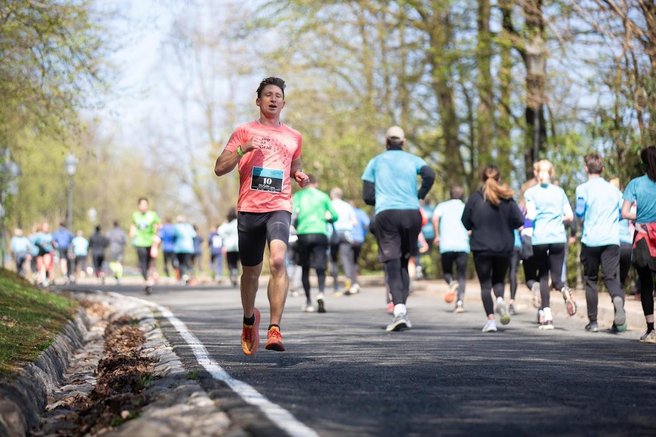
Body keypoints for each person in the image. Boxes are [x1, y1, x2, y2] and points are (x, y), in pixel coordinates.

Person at [214, 76, 309, 355]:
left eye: (277, 95)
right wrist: (244, 148)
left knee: (278, 261)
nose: (273, 99)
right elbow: (220, 168)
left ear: (283, 102)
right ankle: (248, 320)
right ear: (259, 101)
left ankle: (275, 328)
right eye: (267, 94)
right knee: (251, 273)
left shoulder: (294, 136)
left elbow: (295, 162)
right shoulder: (244, 131)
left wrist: (297, 173)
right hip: (249, 209)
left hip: (279, 206)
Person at [362, 125, 435, 332]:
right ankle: (402, 309)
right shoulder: (413, 160)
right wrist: (420, 194)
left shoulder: (375, 161)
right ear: (403, 143)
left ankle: (399, 311)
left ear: (386, 142)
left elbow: (367, 196)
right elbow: (430, 174)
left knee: (392, 263)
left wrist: (383, 198)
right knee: (404, 260)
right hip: (412, 213)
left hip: (387, 213)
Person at [462, 165, 523, 332]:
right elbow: (519, 221)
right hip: (503, 247)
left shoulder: (475, 198)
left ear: (482, 178)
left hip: (481, 247)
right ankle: (501, 300)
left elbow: (465, 221)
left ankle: (490, 321)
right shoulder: (507, 199)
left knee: (485, 285)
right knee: (498, 280)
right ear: (499, 179)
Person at [575, 153, 626, 333]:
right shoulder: (614, 191)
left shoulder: (582, 189)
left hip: (591, 240)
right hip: (611, 239)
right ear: (602, 169)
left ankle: (593, 322)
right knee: (611, 277)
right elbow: (623, 212)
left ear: (586, 168)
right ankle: (617, 298)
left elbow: (580, 212)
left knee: (591, 280)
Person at [524, 159, 576, 330]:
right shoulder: (560, 191)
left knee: (543, 277)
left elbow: (531, 216)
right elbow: (569, 216)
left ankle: (547, 317)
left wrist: (525, 225)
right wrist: (555, 218)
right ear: (551, 173)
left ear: (536, 173)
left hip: (540, 238)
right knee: (556, 278)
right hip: (558, 237)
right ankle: (563, 290)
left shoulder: (530, 193)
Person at [621, 146, 656, 343]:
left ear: (643, 163)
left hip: (643, 236)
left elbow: (625, 213)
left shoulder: (635, 184)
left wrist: (641, 217)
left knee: (646, 284)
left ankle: (651, 330)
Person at [292, 174, 338, 313]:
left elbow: (293, 213)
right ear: (316, 183)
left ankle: (308, 301)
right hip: (320, 233)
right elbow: (335, 215)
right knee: (320, 266)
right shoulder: (323, 196)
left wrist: (297, 224)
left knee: (305, 268)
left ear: (304, 183)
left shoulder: (299, 196)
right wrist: (327, 219)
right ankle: (321, 293)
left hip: (304, 234)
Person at [433, 185, 470, 313]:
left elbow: (435, 218)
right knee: (461, 276)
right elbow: (471, 225)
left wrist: (437, 235)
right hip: (462, 245)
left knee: (447, 272)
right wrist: (469, 232)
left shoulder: (442, 206)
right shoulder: (465, 207)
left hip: (446, 244)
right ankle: (459, 303)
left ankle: (450, 282)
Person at [330, 187, 359, 295]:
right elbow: (354, 222)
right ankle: (349, 284)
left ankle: (336, 286)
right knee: (346, 259)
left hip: (333, 234)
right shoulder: (348, 206)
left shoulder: (330, 204)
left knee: (333, 260)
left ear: (332, 195)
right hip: (346, 234)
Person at [130, 197, 161, 294]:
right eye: (141, 205)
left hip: (150, 242)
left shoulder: (153, 215)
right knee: (142, 262)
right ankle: (147, 280)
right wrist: (132, 233)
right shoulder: (135, 215)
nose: (143, 206)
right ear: (138, 206)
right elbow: (133, 226)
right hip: (139, 242)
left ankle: (148, 279)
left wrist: (156, 237)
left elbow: (158, 225)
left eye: (145, 204)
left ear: (147, 206)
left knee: (149, 263)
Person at [611, 177, 635, 294]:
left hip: (613, 243)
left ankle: (618, 307)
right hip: (627, 243)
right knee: (621, 283)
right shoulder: (625, 199)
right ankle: (620, 309)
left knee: (613, 280)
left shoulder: (607, 199)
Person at [218, 208, 240, 287]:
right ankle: (236, 273)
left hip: (229, 247)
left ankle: (233, 272)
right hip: (239, 246)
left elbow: (220, 232)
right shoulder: (239, 222)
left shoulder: (227, 225)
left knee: (231, 263)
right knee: (238, 262)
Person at [173, 215, 197, 285]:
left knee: (181, 264)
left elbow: (173, 236)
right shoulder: (189, 227)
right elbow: (194, 235)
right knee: (188, 263)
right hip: (188, 248)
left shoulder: (176, 227)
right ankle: (190, 277)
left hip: (179, 248)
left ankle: (183, 277)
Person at [33, 222, 55, 287]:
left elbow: (53, 243)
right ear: (42, 228)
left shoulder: (50, 235)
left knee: (46, 265)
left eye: (47, 227)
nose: (46, 228)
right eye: (45, 227)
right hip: (40, 252)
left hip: (47, 251)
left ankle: (45, 278)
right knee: (41, 266)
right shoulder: (39, 235)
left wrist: (53, 245)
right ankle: (42, 279)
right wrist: (40, 244)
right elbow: (35, 242)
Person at [106, 221, 127, 285]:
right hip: (120, 249)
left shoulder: (110, 232)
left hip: (112, 249)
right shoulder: (122, 232)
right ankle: (118, 277)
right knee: (119, 263)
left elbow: (106, 239)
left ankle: (115, 272)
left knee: (112, 263)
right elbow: (125, 241)